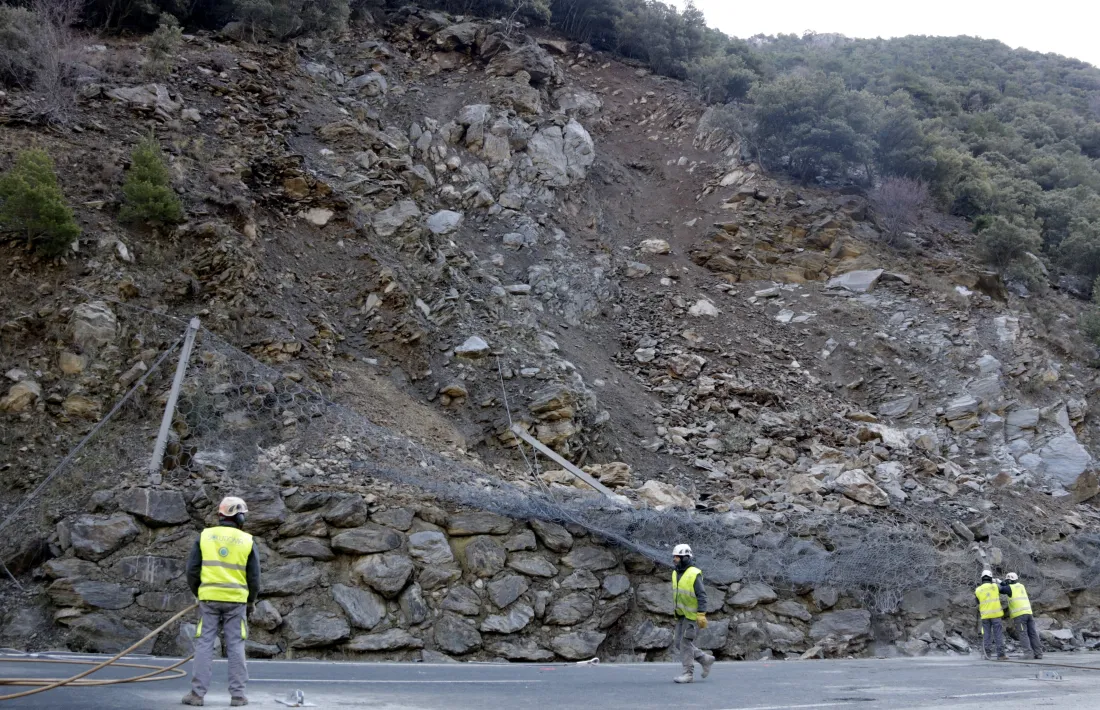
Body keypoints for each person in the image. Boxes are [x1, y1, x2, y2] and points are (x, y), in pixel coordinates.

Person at [181, 497, 260, 707]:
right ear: (240, 517)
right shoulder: (247, 541)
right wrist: (251, 601)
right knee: (236, 646)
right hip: (236, 602)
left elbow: (192, 570)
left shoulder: (205, 536)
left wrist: (199, 592)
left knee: (204, 644)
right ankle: (238, 696)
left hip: (208, 600)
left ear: (220, 515)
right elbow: (254, 578)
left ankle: (197, 695)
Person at [670, 543, 715, 684]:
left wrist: (701, 614)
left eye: (677, 557)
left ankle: (688, 674)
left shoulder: (694, 573)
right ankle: (704, 659)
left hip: (691, 615)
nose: (675, 560)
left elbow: (702, 595)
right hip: (681, 614)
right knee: (678, 643)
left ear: (685, 558)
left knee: (685, 642)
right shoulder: (675, 573)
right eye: (674, 557)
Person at [1000, 572, 1043, 659]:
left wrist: (998, 582)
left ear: (1009, 580)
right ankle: (1038, 653)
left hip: (1020, 615)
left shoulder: (1010, 588)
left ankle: (1028, 654)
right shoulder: (1021, 586)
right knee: (1032, 633)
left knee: (1023, 634)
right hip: (1028, 613)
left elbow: (1000, 589)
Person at [975, 569, 1006, 660]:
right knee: (998, 634)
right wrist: (998, 581)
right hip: (996, 615)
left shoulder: (978, 590)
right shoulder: (995, 587)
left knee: (987, 635)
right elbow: (1006, 587)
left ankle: (987, 654)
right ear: (990, 578)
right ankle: (1000, 655)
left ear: (982, 579)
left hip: (985, 616)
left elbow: (977, 601)